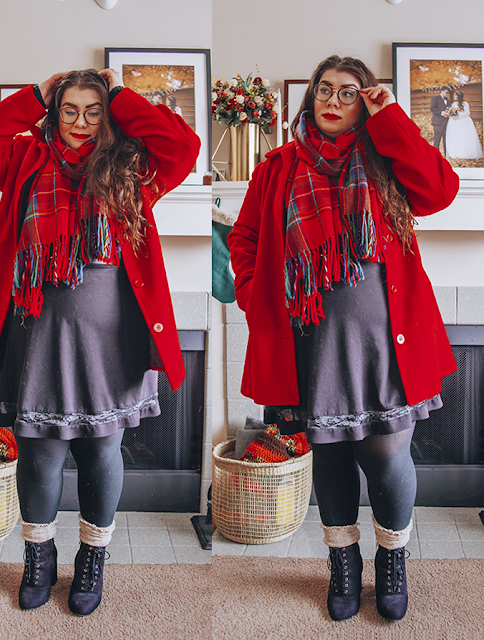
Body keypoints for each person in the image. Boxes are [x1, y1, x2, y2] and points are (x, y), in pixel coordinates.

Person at [0, 68, 200, 615]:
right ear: (53, 112)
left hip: (111, 338)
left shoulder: (136, 167)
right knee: (39, 452)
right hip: (36, 331)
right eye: (69, 110)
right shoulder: (23, 159)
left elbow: (184, 144)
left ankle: (92, 558)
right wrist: (36, 95)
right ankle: (38, 558)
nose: (81, 122)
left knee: (101, 449)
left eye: (94, 110)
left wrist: (119, 96)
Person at [228, 55, 459, 622]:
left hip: (385, 337)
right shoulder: (277, 165)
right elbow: (246, 237)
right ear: (310, 98)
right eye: (324, 90)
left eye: (348, 92)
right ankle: (343, 564)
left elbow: (441, 189)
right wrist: (257, 289)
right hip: (308, 339)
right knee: (328, 454)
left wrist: (391, 117)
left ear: (365, 101)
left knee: (386, 453)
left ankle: (392, 559)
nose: (332, 100)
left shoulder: (386, 155)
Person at [445, 90, 483, 160]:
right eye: (454, 95)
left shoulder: (465, 103)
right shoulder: (453, 104)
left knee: (464, 136)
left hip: (463, 122)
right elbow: (451, 112)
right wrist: (452, 116)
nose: (454, 96)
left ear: (459, 96)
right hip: (454, 123)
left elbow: (467, 113)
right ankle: (455, 152)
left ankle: (465, 152)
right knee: (456, 136)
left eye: (455, 95)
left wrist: (459, 117)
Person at [429, 85, 451, 155]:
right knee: (437, 138)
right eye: (446, 92)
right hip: (437, 122)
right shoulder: (435, 98)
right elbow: (432, 108)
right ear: (442, 91)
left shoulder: (449, 101)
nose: (447, 94)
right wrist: (442, 113)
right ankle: (435, 154)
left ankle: (446, 154)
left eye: (448, 93)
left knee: (446, 139)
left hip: (447, 122)